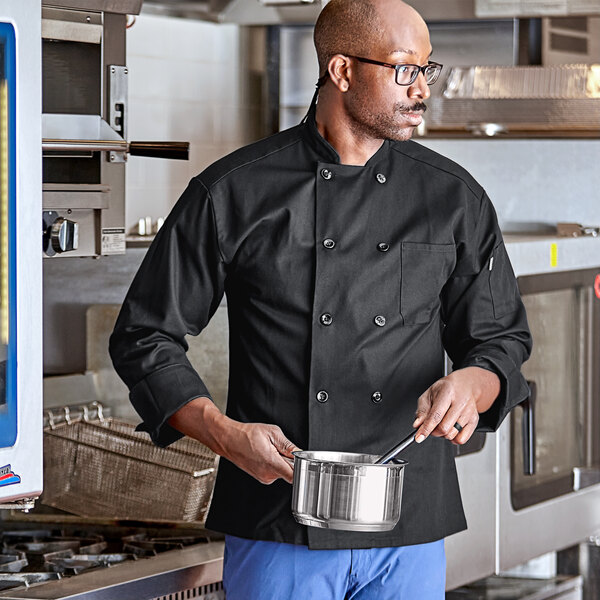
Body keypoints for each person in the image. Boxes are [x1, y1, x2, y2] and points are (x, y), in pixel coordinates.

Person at [109, 0, 532, 597]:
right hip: (280, 518)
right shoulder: (235, 192)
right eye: (404, 70)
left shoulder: (453, 198)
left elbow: (500, 340)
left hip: (409, 522)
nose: (421, 90)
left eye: (427, 71)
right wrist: (225, 434)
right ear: (342, 71)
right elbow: (143, 336)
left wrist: (474, 383)